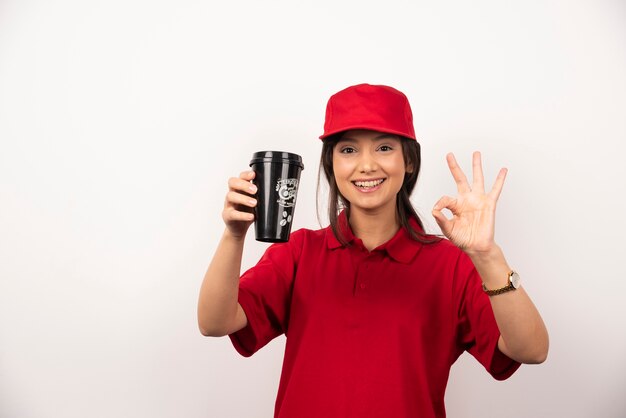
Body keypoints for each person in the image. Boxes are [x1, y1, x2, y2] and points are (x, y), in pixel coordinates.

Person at [197, 83, 549, 418]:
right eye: (348, 150)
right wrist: (234, 234)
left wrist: (488, 256)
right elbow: (215, 323)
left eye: (384, 147)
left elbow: (531, 350)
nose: (366, 165)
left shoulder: (449, 265)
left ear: (408, 161)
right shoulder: (300, 252)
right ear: (331, 165)